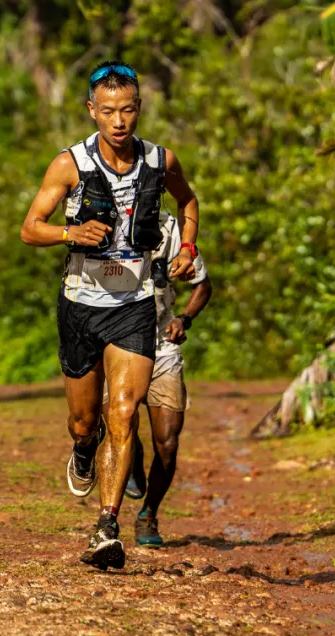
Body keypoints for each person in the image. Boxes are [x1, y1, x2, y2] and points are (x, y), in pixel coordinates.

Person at [20, 61, 200, 570]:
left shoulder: (161, 161)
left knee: (123, 412)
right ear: (91, 111)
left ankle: (106, 525)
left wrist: (187, 245)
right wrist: (68, 234)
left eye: (127, 110)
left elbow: (189, 202)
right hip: (81, 306)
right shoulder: (68, 165)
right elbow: (30, 227)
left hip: (135, 306)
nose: (118, 121)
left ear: (138, 109)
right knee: (86, 422)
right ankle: (82, 449)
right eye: (108, 111)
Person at [103, 212, 211, 548]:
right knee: (120, 426)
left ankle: (149, 512)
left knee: (167, 442)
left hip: (163, 347)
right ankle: (128, 464)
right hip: (120, 345)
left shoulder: (172, 231)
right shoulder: (103, 226)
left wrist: (184, 319)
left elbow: (203, 286)